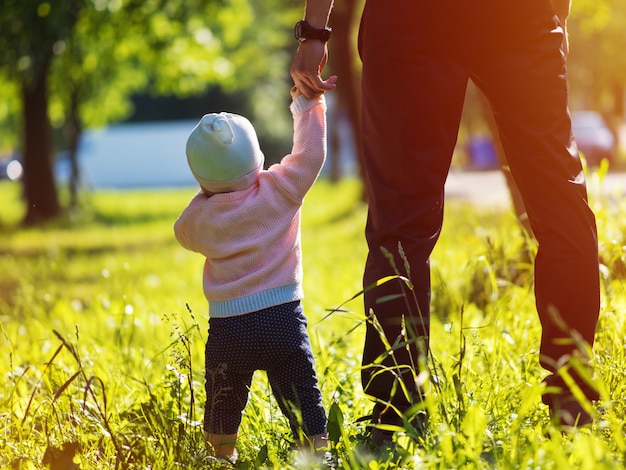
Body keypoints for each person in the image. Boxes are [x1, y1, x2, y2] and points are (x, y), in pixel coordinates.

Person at [291, 0, 601, 442]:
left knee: (400, 218)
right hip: (510, 18)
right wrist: (556, 15)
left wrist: (315, 31)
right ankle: (572, 400)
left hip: (416, 21)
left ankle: (396, 416)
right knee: (558, 201)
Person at [173, 82, 336, 461]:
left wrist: (208, 193)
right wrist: (306, 105)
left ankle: (220, 458)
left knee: (223, 399)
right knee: (302, 395)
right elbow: (310, 154)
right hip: (283, 319)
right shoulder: (281, 189)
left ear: (201, 177)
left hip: (229, 327)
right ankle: (316, 458)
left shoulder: (202, 217)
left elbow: (182, 233)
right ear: (258, 158)